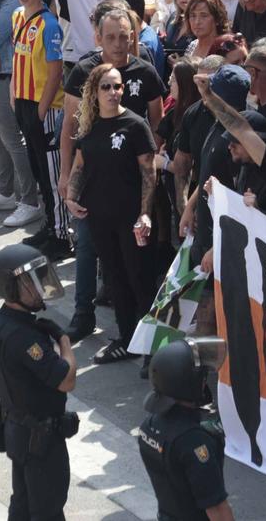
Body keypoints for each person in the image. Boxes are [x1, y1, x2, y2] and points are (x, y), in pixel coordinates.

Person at [62, 60, 157, 364]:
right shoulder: (89, 126)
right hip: (99, 217)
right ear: (94, 91)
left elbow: (149, 173)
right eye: (107, 87)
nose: (114, 92)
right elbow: (80, 164)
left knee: (139, 279)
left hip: (130, 219)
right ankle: (127, 340)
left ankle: (150, 347)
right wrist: (71, 197)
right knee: (115, 279)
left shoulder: (135, 125)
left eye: (118, 86)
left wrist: (145, 213)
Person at [0, 242, 77, 521]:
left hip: (19, 432)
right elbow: (66, 380)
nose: (38, 287)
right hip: (41, 441)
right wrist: (64, 341)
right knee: (47, 510)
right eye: (29, 282)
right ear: (12, 288)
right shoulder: (25, 337)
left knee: (23, 506)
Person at [137, 336, 234, 521]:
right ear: (190, 382)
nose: (204, 381)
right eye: (202, 376)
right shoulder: (193, 442)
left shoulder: (148, 427)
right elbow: (218, 510)